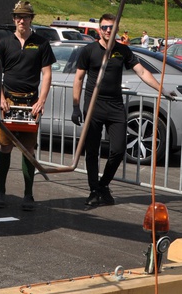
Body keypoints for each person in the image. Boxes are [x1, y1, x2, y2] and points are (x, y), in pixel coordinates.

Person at [71, 13, 169, 208]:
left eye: (111, 27)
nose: (108, 30)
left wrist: (161, 89)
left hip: (115, 106)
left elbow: (141, 71)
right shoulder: (89, 50)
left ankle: (103, 185)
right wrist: (75, 106)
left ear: (116, 30)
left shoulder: (123, 51)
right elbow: (79, 78)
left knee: (118, 149)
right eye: (105, 27)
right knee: (92, 151)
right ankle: (93, 191)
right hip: (93, 106)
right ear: (99, 29)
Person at [0, 0, 55, 211]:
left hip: (30, 103)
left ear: (31, 19)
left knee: (28, 150)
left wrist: (41, 100)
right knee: (6, 146)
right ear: (13, 19)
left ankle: (28, 195)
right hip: (8, 102)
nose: (21, 20)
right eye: (18, 16)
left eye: (25, 16)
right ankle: (0, 191)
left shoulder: (42, 43)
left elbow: (47, 74)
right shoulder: (4, 44)